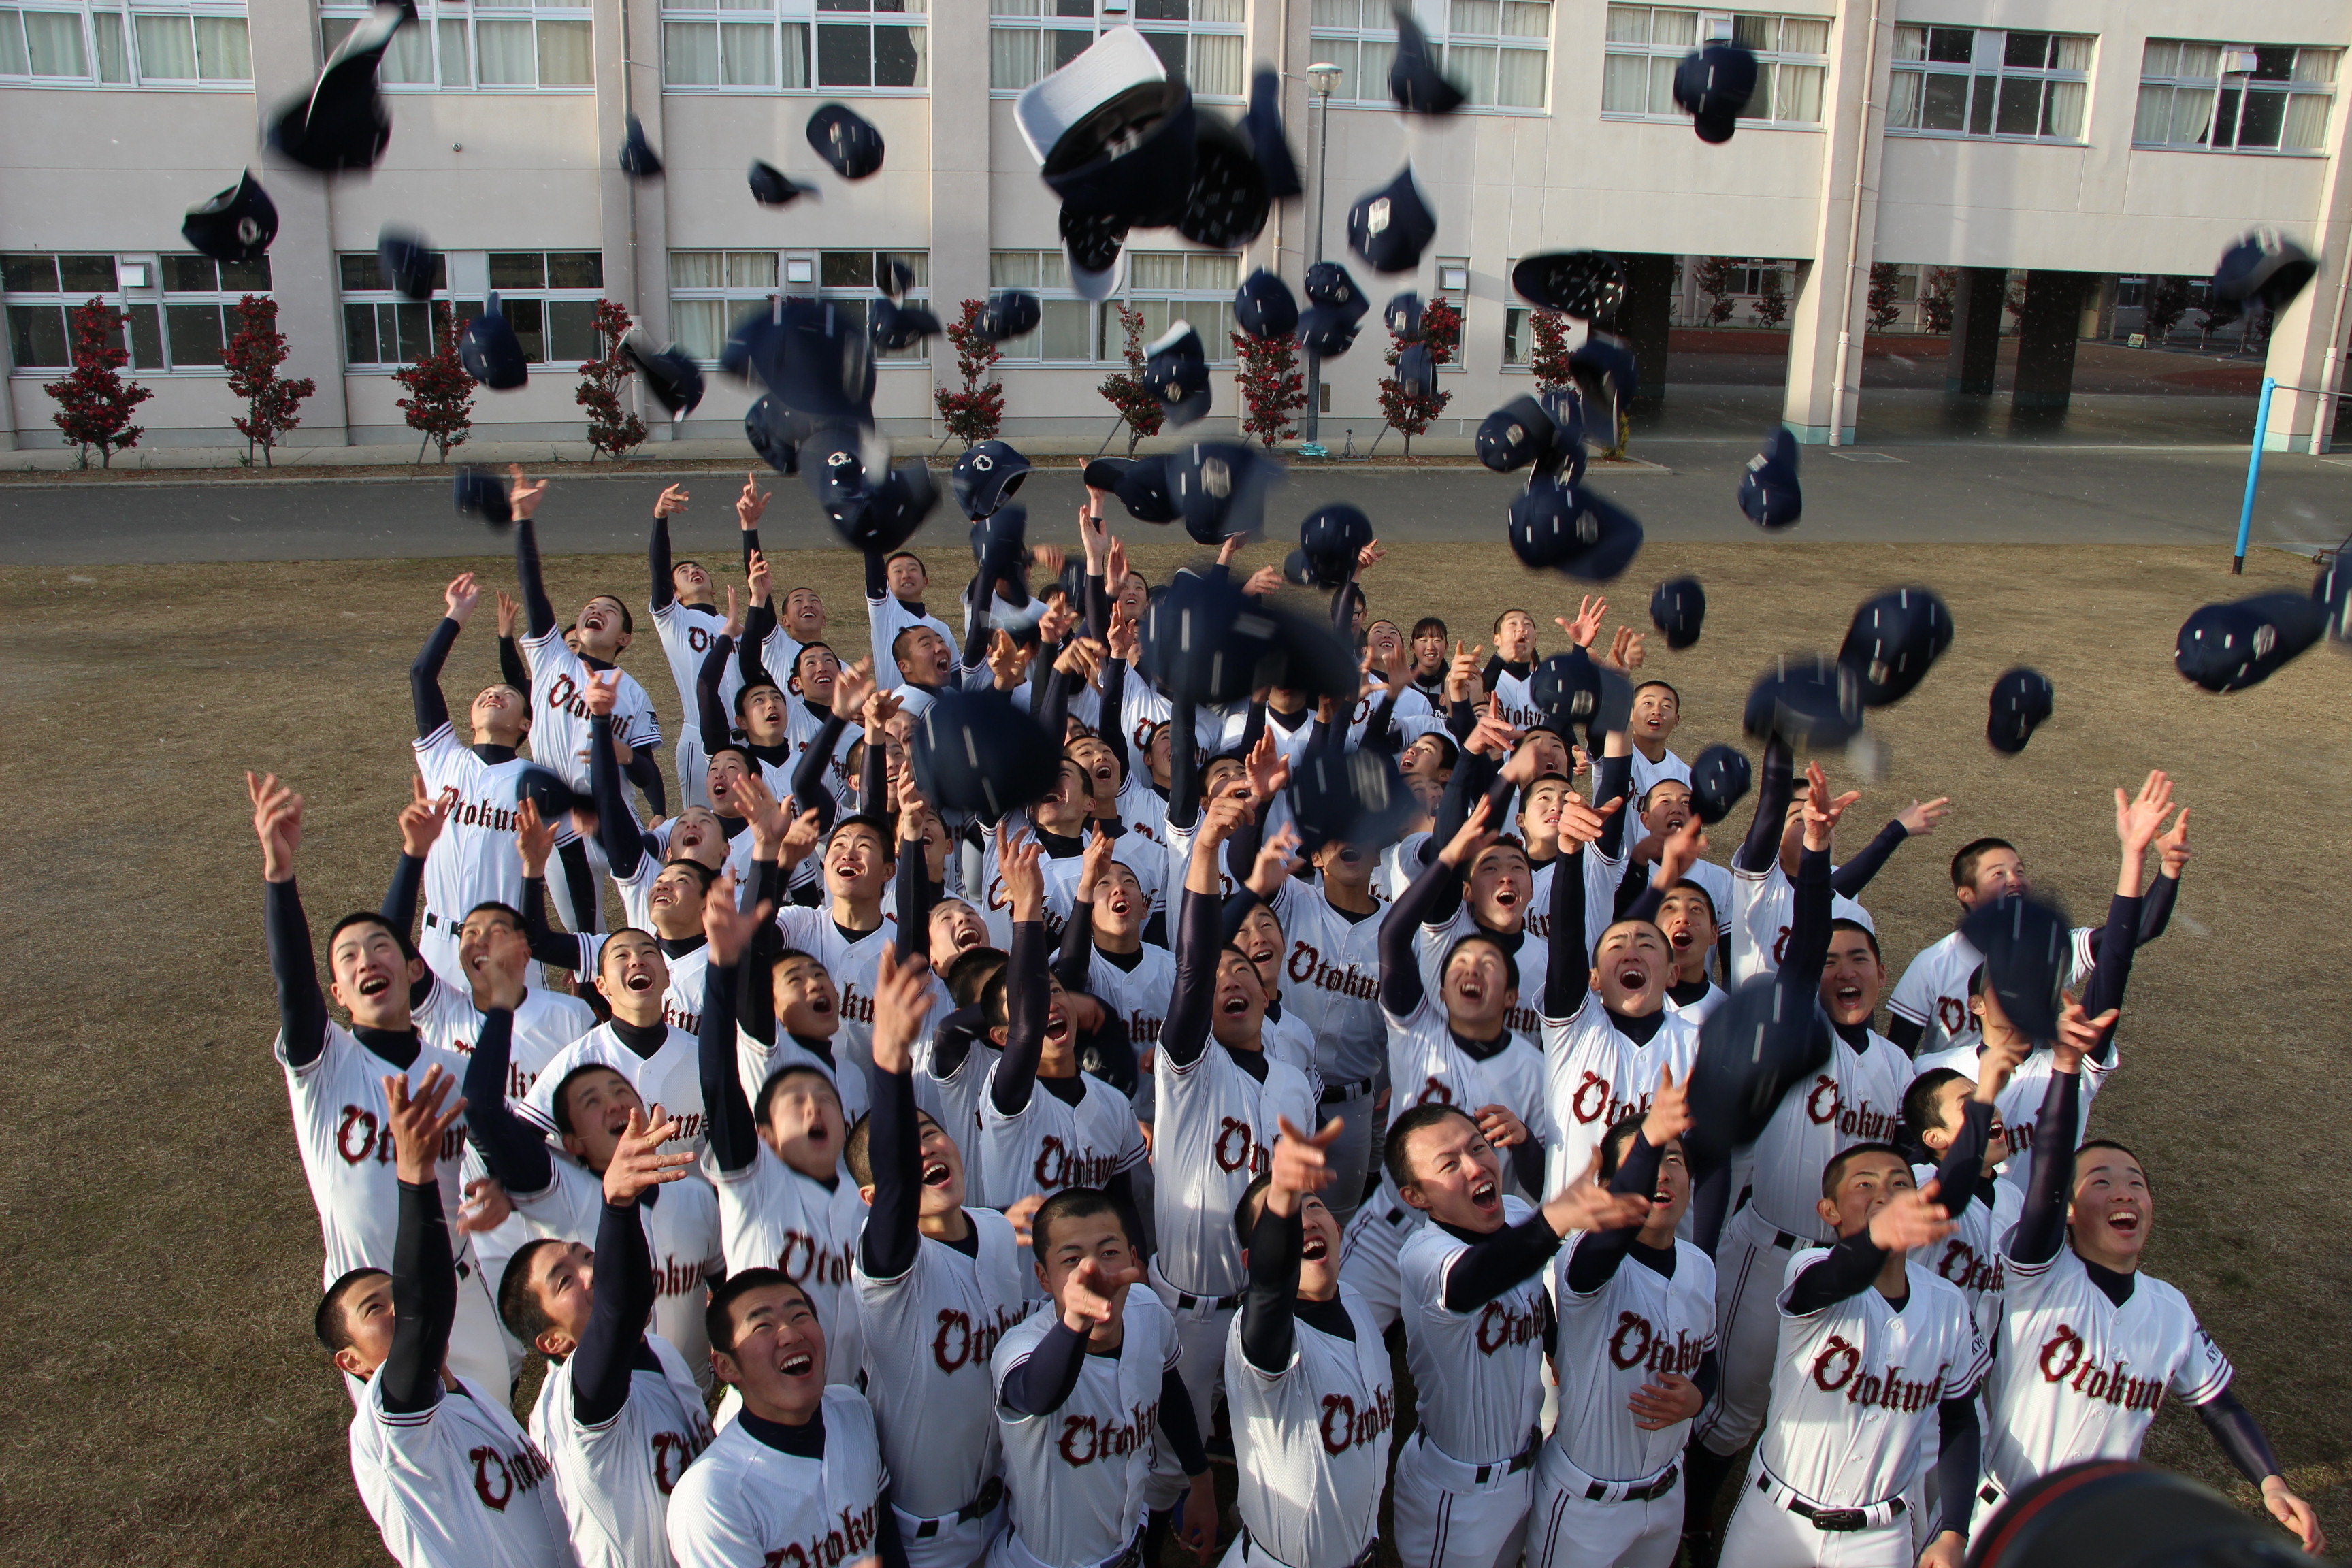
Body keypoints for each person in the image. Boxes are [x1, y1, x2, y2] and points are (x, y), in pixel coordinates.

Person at [1973, 1014, 2323, 1554]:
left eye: (2136, 1183)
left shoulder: (2171, 1310)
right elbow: (2045, 1173)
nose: (2124, 1194)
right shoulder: (2038, 1276)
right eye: (2102, 1182)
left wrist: (2271, 1482)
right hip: (2005, 1520)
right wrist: (2067, 1068)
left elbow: (2220, 1404)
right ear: (2066, 1209)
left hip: (2101, 1537)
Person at [1686, 762, 1913, 1534]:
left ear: (1883, 973)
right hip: (1770, 1252)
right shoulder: (1794, 1038)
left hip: (1852, 1264)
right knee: (1733, 1408)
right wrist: (1813, 852)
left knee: (1816, 1407)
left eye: (1861, 960)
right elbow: (1809, 933)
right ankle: (1691, 1522)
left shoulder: (1901, 1068)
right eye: (1831, 963)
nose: (1844, 970)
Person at [255, 771, 510, 1398]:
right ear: (337, 995)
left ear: (413, 966)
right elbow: (294, 985)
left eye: (381, 949)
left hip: (460, 1288)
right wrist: (280, 877)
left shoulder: (453, 1073)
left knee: (492, 1427)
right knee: (417, 1446)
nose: (368, 959)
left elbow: (496, 1156)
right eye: (348, 958)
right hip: (374, 1308)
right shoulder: (324, 1068)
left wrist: (502, 1190)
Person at [319, 1064, 574, 1567]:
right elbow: (428, 1307)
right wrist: (418, 1176)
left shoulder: (477, 1397)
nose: (399, 1309)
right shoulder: (392, 1429)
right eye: (375, 1308)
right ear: (351, 1362)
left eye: (398, 1295)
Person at [1145, 793, 1318, 1521]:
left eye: (1245, 968)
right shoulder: (1187, 1069)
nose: (1232, 976)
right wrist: (1211, 848)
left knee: (1264, 1457)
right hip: (1185, 1311)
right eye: (1217, 976)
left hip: (1263, 1303)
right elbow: (1191, 964)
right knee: (1164, 1472)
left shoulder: (1291, 1080)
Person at [1386, 1104, 1649, 1568]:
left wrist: (1554, 1345)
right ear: (1415, 1196)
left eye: (1477, 1147)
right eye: (1449, 1165)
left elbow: (1528, 1285)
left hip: (1528, 1468)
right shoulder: (1423, 1257)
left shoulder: (1511, 1211)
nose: (1475, 1166)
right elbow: (1478, 1278)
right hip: (1458, 1495)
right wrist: (1556, 1218)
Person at [1338, 798, 1553, 1336]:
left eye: (1487, 967)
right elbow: (1393, 938)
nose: (1471, 971)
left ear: (1512, 996)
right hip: (1394, 1222)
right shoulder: (1418, 1027)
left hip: (1480, 1232)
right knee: (1346, 1333)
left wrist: (1525, 1140)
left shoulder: (1532, 1069)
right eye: (1460, 965)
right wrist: (1450, 854)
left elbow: (1542, 1178)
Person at [849, 941, 1032, 1568]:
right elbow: (900, 1184)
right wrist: (891, 1060)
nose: (928, 1147)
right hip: (928, 1540)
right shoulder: (888, 1273)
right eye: (911, 1142)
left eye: (934, 1134)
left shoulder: (999, 1233)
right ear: (874, 1195)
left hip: (1011, 1509)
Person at [1712, 1149, 1984, 1568]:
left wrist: (1954, 1533)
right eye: (1865, 1184)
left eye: (1899, 1183)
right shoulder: (1810, 1267)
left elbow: (1960, 1419)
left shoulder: (1948, 1303)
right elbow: (1836, 1278)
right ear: (1830, 1211)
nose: (1884, 1192)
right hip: (1776, 1520)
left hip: (1880, 1537)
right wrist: (1879, 1236)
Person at [464, 977, 725, 1388]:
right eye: (592, 1102)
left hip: (690, 1393)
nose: (615, 1103)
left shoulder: (693, 1194)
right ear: (571, 1142)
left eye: (621, 1090)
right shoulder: (558, 1193)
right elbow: (482, 1109)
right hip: (601, 1400)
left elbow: (720, 1282)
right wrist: (500, 1004)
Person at [508, 1095, 716, 1568]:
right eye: (565, 1280)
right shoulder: (572, 1403)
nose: (590, 1271)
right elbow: (621, 1312)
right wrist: (618, 1204)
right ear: (553, 1342)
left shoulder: (660, 1353)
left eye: (585, 1256)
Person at [1529, 1078, 1714, 1568]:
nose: (1661, 1174)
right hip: (1586, 1505)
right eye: (1644, 1163)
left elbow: (1709, 1356)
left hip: (1667, 1491)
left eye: (1673, 1161)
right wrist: (1652, 1139)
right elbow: (1607, 1245)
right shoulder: (1583, 1261)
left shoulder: (1701, 1267)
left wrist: (1702, 1396)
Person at [697, 873, 867, 1384]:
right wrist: (770, 857)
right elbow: (720, 1072)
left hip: (845, 1376)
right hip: (772, 1364)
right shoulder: (770, 1053)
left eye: (821, 976)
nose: (816, 984)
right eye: (796, 980)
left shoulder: (854, 1077)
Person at [990, 1188, 1216, 1568]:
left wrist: (1201, 1479)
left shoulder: (1147, 1311)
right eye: (1072, 1259)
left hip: (1130, 1548)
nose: (1092, 1271)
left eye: (1108, 1252)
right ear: (1044, 1278)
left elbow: (1169, 1388)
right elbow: (1037, 1395)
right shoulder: (1022, 1347)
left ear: (1133, 1257)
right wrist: (1077, 1319)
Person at [1225, 1115, 1397, 1568]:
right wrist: (1281, 1191)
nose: (1305, 1220)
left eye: (1314, 1205)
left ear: (1338, 1229)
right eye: (1284, 1216)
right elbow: (1270, 1287)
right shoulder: (1261, 1335)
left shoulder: (1358, 1303)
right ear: (1252, 1257)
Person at [1887, 800, 2188, 1058]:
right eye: (1998, 874)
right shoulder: (1933, 964)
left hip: (2030, 1090)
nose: (2014, 879)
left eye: (2019, 871)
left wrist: (2168, 871)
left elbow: (2136, 932)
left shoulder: (2052, 945)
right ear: (1967, 894)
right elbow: (1898, 1058)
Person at [508, 468, 666, 931]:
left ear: (626, 638)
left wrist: (651, 798)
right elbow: (532, 589)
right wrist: (523, 521)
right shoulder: (551, 659)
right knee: (585, 942)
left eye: (611, 611)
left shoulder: (632, 691)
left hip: (614, 823)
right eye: (591, 608)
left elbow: (645, 771)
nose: (597, 611)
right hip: (558, 829)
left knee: (652, 926)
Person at [664, 1270, 898, 1568]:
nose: (790, 1334)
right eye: (762, 1325)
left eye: (799, 1315)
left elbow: (885, 1535)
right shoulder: (711, 1496)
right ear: (725, 1365)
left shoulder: (853, 1410)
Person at [978, 829, 1148, 1218]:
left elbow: (1124, 1206)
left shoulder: (1112, 1104)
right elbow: (1029, 1020)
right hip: (1025, 1279)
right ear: (1004, 1036)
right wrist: (1027, 905)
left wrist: (1088, 885)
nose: (1049, 1004)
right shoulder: (1009, 1096)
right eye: (1036, 998)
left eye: (1057, 994)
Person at [408, 570, 535, 987]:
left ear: (524, 725)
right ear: (469, 717)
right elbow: (422, 675)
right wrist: (456, 615)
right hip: (437, 946)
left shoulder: (533, 781)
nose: (494, 694)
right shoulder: (443, 757)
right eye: (485, 693)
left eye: (508, 694)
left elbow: (567, 870)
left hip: (506, 947)